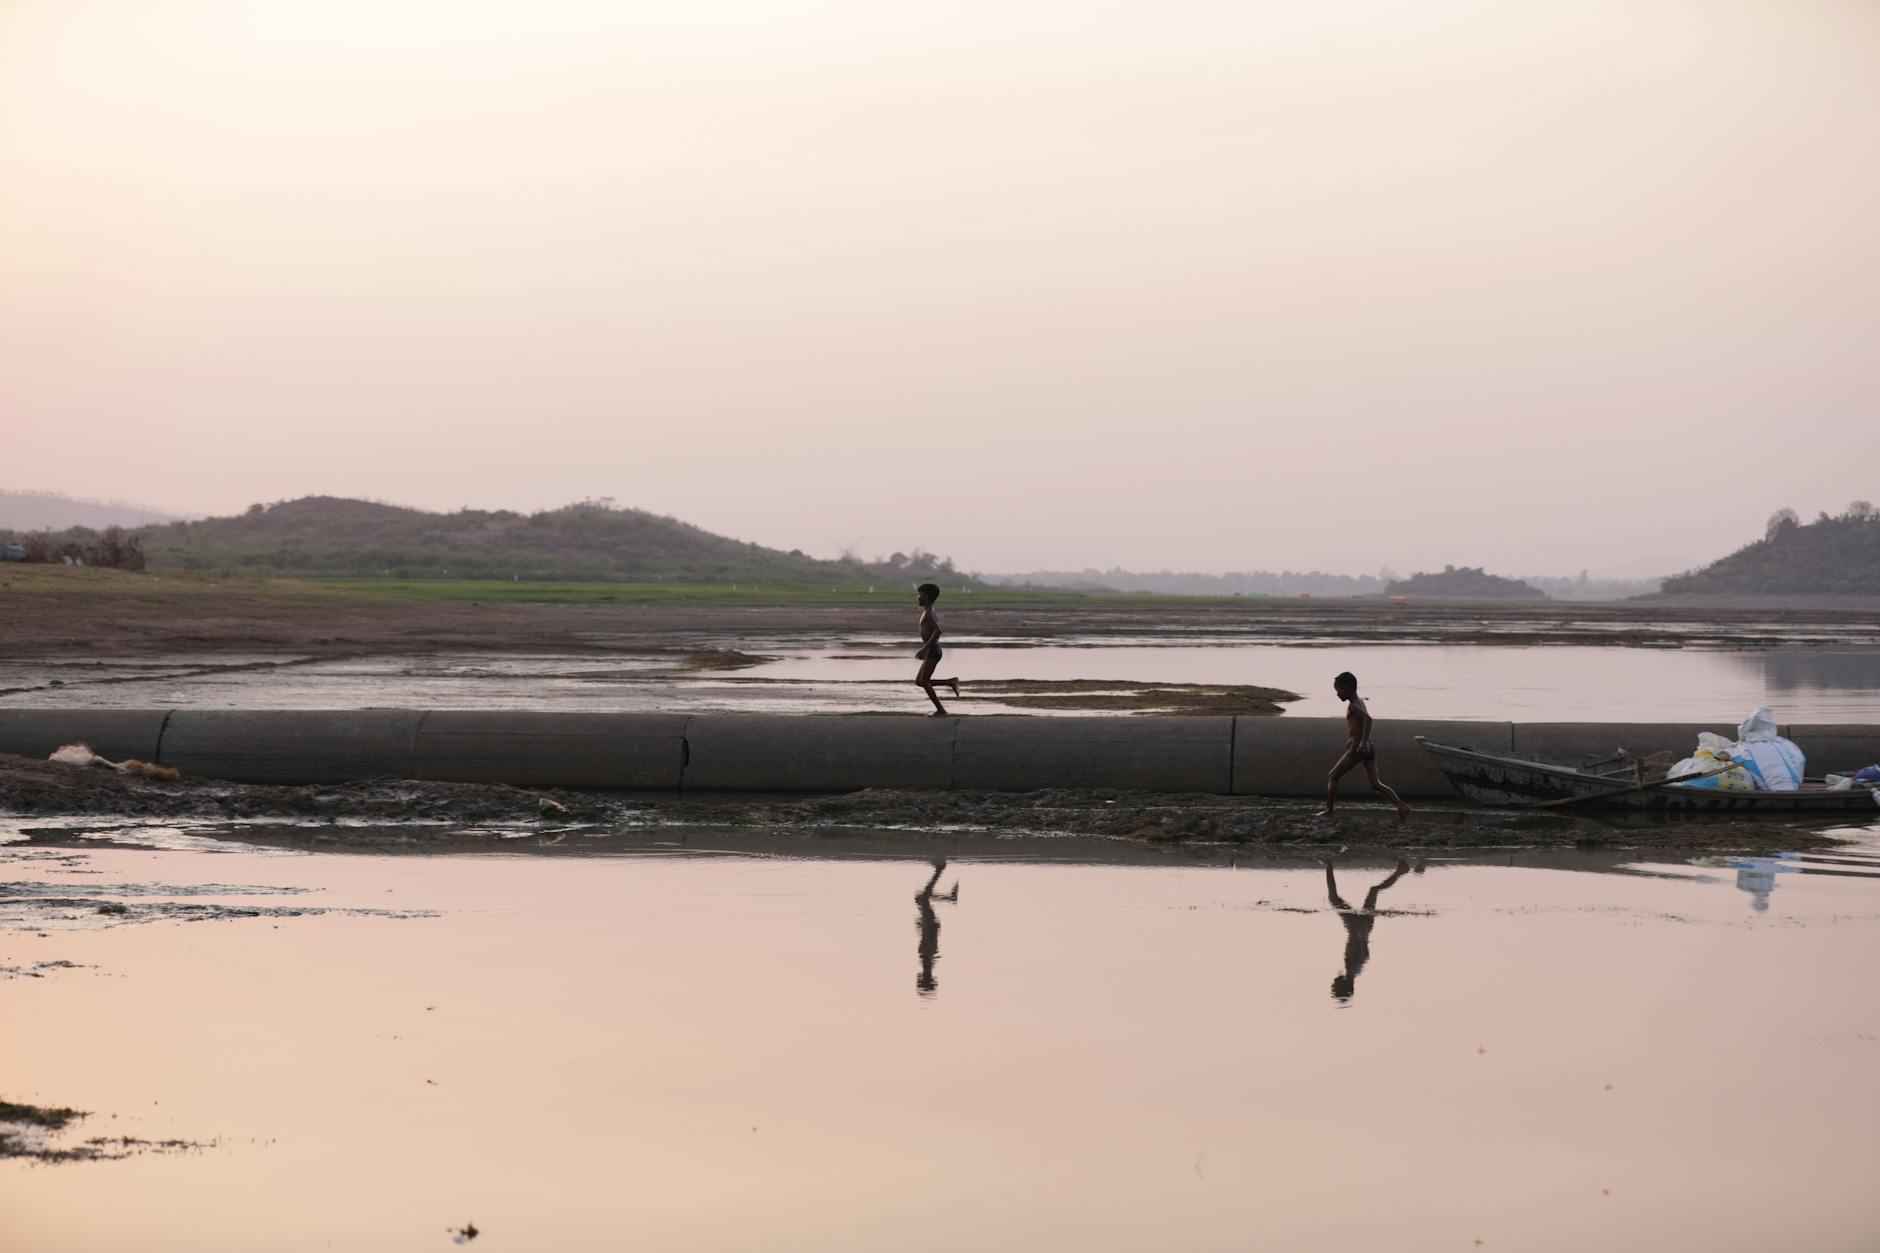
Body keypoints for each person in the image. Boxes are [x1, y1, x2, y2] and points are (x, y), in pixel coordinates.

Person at [1319, 670, 1411, 820]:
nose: (1337, 694)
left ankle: (1329, 811)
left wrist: (1361, 742)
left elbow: (1368, 719)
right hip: (1368, 747)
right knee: (1376, 783)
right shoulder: (1359, 701)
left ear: (1349, 688)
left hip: (1358, 748)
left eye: (1339, 690)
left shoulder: (1354, 705)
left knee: (1333, 776)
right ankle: (1401, 806)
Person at [1325, 853, 1410, 1003]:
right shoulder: (1352, 968)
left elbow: (1365, 953)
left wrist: (1362, 933)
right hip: (1357, 927)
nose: (1333, 982)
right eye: (1335, 986)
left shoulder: (1356, 970)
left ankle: (1400, 871)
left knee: (1373, 891)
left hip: (1364, 927)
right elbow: (1361, 948)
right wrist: (1358, 932)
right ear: (1343, 985)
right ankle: (1328, 863)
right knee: (1334, 898)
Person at [914, 857, 959, 997]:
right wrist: (925, 927)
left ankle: (949, 897)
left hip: (930, 928)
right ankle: (939, 870)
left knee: (921, 898)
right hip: (929, 927)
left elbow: (928, 944)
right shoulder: (927, 964)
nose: (917, 979)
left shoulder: (929, 965)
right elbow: (928, 944)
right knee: (922, 898)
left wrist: (922, 928)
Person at [914, 582, 960, 716]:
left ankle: (941, 710)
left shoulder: (930, 613)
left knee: (923, 681)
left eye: (920, 595)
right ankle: (950, 682)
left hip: (933, 651)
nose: (918, 597)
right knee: (919, 681)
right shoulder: (927, 611)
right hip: (931, 651)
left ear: (927, 597)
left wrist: (925, 648)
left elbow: (938, 631)